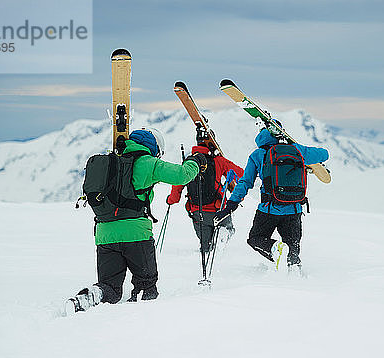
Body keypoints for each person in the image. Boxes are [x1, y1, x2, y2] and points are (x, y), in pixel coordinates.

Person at [68, 128, 207, 312]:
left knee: (110, 289)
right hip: (136, 235)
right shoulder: (148, 163)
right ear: (154, 148)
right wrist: (195, 160)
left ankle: (89, 296)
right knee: (146, 287)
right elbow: (182, 175)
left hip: (105, 235)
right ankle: (141, 327)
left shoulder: (111, 163)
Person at [214, 121, 329, 270]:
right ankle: (296, 279)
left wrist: (231, 205)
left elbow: (245, 183)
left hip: (268, 210)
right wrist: (296, 146)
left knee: (255, 239)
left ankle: (275, 249)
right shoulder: (297, 150)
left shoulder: (258, 154)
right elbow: (325, 154)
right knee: (293, 252)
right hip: (294, 210)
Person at [166, 130, 244, 257]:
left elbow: (177, 185)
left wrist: (171, 200)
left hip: (197, 212)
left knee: (206, 247)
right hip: (218, 210)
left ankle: (206, 248)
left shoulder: (189, 163)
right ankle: (222, 236)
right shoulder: (218, 161)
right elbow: (241, 174)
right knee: (228, 230)